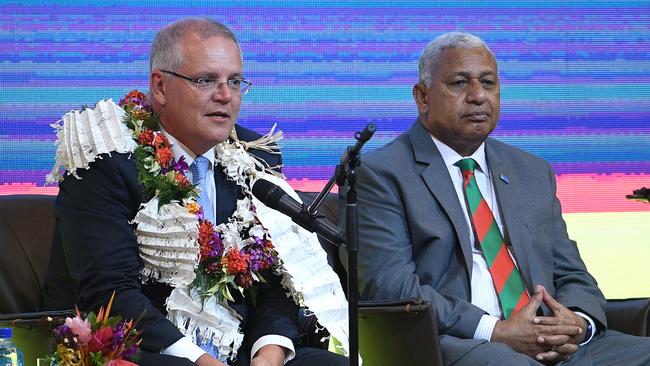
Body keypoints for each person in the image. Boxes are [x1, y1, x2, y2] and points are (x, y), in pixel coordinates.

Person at [43, 18, 347, 366]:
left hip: (242, 349)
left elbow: (280, 278)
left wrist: (270, 352)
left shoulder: (255, 156)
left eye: (234, 81)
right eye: (206, 80)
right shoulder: (107, 157)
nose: (225, 95)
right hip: (149, 349)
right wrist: (201, 361)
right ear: (159, 86)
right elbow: (110, 294)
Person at [349, 32, 650, 365]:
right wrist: (495, 330)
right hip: (460, 343)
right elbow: (392, 287)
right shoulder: (381, 172)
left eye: (488, 83)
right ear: (422, 97)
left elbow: (573, 274)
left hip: (555, 344)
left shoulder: (532, 171)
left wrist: (576, 322)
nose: (478, 96)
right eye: (459, 83)